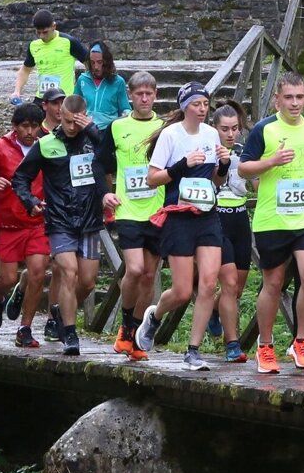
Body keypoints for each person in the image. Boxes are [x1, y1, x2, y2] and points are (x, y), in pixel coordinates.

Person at [240, 72, 304, 373]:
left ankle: (301, 341)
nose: (295, 103)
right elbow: (243, 169)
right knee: (274, 283)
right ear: (277, 99)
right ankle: (265, 345)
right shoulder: (264, 130)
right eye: (289, 97)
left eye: (300, 97)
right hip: (272, 219)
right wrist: (270, 162)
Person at [137, 84, 228, 369]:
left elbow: (216, 182)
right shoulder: (170, 135)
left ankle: (193, 350)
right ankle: (154, 316)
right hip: (178, 216)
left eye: (206, 104)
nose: (203, 109)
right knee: (182, 290)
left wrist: (223, 166)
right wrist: (182, 165)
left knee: (210, 283)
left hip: (207, 215)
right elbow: (152, 179)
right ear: (185, 106)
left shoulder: (212, 134)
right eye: (197, 103)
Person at [11, 90, 109, 355]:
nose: (71, 127)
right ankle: (70, 333)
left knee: (87, 282)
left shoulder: (95, 141)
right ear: (59, 116)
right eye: (66, 121)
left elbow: (113, 161)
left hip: (89, 219)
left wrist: (96, 133)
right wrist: (30, 200)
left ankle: (59, 311)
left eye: (76, 122)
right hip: (60, 219)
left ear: (84, 117)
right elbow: (20, 178)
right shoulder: (46, 144)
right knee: (68, 271)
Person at [101, 74, 168, 360]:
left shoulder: (166, 128)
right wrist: (105, 193)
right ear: (129, 95)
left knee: (150, 276)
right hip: (127, 209)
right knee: (136, 269)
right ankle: (126, 326)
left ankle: (136, 334)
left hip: (158, 210)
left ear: (155, 95)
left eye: (148, 93)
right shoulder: (117, 127)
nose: (143, 98)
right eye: (138, 93)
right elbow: (100, 164)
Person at [0, 102, 51, 348]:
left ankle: (25, 328)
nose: (30, 132)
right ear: (15, 127)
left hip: (38, 220)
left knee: (38, 272)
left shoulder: (49, 145)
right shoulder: (1, 147)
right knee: (6, 278)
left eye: (34, 127)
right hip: (8, 221)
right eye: (24, 127)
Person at [212, 103, 254, 363]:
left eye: (235, 128)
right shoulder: (207, 150)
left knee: (237, 288)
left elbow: (257, 183)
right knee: (228, 283)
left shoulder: (245, 152)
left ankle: (215, 312)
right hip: (216, 219)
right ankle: (232, 344)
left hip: (240, 219)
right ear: (214, 128)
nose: (231, 134)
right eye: (225, 129)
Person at [14, 9, 79, 102]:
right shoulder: (34, 46)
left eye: (45, 32)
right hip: (42, 98)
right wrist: (17, 91)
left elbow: (88, 63)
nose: (41, 36)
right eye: (38, 32)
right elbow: (25, 70)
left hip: (63, 100)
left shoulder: (69, 42)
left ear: (54, 26)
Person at [78, 42, 129, 127]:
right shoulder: (82, 80)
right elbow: (75, 105)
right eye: (92, 62)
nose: (96, 67)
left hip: (109, 130)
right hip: (86, 129)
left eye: (99, 62)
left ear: (106, 62)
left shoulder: (118, 82)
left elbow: (125, 109)